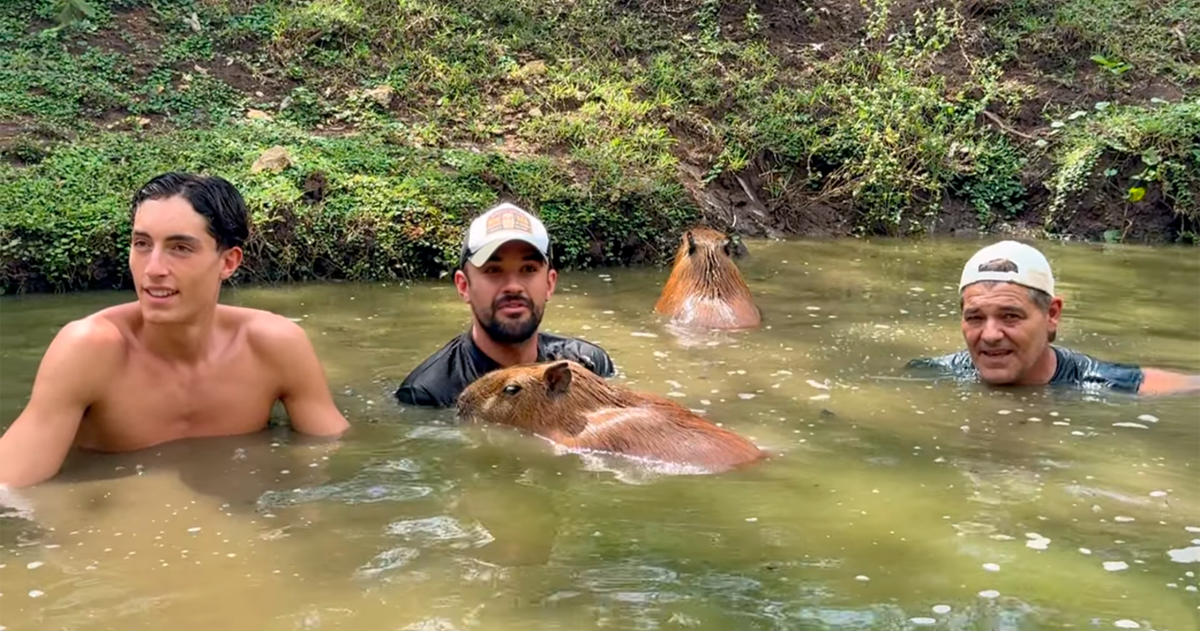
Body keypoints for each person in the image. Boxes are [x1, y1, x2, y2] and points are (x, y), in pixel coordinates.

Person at [0, 172, 350, 489]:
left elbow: (332, 461)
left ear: (228, 262)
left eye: (180, 248)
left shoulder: (273, 345)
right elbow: (8, 485)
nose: (153, 269)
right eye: (142, 244)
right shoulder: (91, 349)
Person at [395, 202, 615, 408]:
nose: (513, 286)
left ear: (549, 284)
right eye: (493, 270)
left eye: (528, 269)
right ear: (464, 286)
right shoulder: (428, 394)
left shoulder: (589, 364)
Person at [908, 240, 1200, 395]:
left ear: (1051, 315)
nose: (990, 335)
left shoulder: (1101, 383)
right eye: (975, 318)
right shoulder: (932, 373)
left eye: (1010, 316)